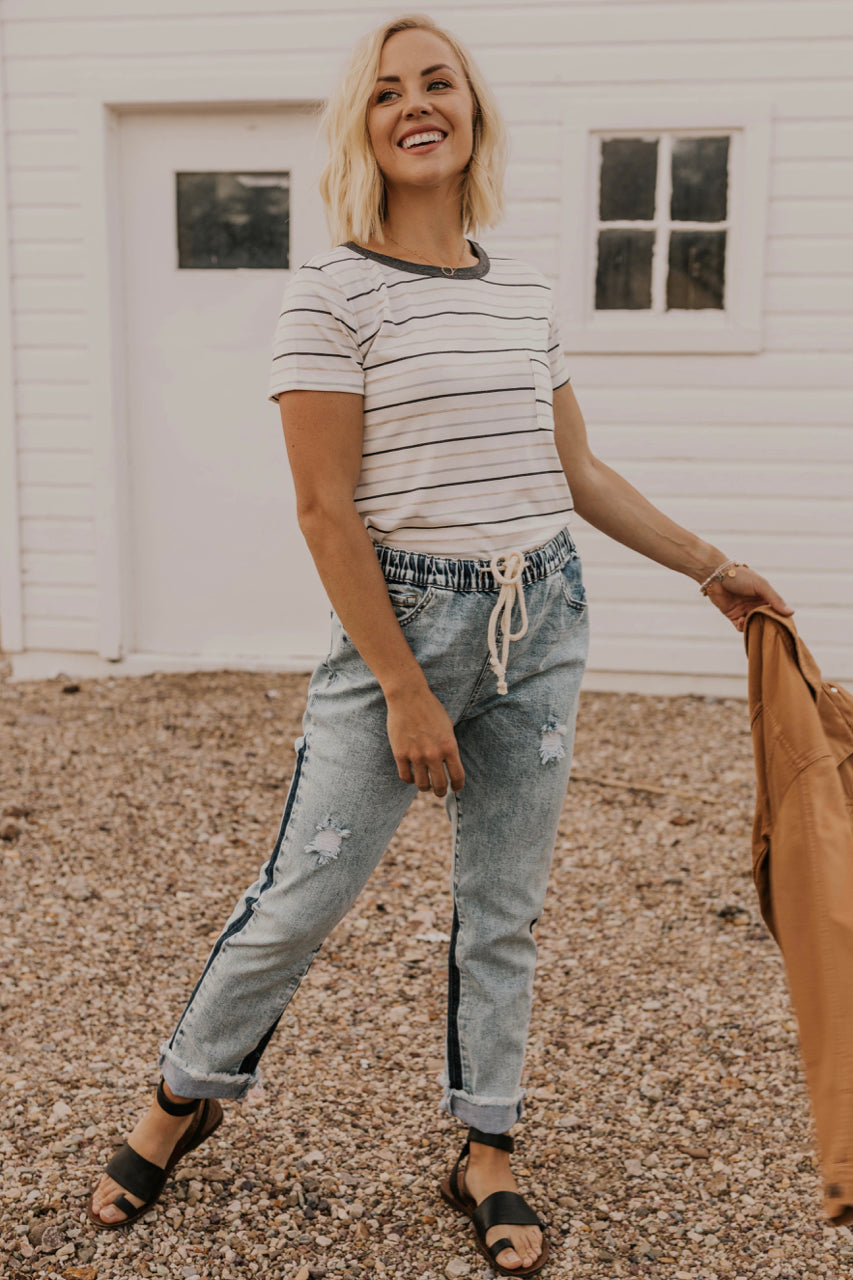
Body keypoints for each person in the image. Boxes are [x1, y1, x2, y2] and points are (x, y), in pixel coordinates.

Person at [88, 13, 792, 1276]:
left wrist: (712, 567)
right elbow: (324, 508)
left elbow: (573, 469)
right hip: (404, 624)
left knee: (501, 909)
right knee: (298, 894)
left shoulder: (519, 289)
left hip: (545, 614)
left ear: (472, 112)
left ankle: (485, 1145)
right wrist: (408, 687)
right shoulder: (333, 293)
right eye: (388, 91)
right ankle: (178, 1099)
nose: (418, 105)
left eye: (440, 84)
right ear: (362, 124)